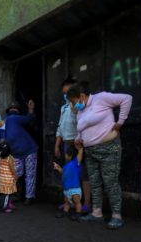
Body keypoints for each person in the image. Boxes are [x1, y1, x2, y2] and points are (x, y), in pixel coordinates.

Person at [69, 81, 132, 229]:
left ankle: (117, 216)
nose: (73, 105)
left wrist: (121, 122)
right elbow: (82, 126)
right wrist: (79, 138)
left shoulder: (101, 98)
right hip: (90, 151)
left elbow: (127, 98)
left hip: (108, 148)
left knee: (110, 182)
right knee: (95, 183)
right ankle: (96, 213)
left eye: (74, 101)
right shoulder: (81, 110)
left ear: (82, 96)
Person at [0, 100, 39, 204]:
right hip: (16, 154)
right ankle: (13, 194)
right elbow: (1, 150)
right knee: (16, 173)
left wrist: (31, 110)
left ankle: (29, 197)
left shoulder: (12, 119)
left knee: (30, 174)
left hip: (29, 149)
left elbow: (29, 119)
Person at [55, 76, 90, 213]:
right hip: (67, 144)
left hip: (79, 144)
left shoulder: (80, 106)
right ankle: (69, 201)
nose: (66, 95)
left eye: (68, 92)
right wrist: (57, 145)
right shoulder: (63, 108)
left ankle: (86, 204)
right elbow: (60, 127)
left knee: (85, 175)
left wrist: (74, 104)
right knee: (68, 174)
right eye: (64, 93)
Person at [53, 142, 84, 221]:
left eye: (66, 154)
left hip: (74, 188)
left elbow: (80, 152)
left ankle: (78, 213)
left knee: (77, 202)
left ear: (68, 155)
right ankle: (65, 211)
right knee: (66, 202)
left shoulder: (75, 163)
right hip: (67, 189)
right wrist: (58, 168)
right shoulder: (67, 166)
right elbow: (63, 172)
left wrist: (80, 148)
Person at [0, 133, 17, 213]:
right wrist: (15, 175)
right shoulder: (10, 158)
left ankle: (8, 204)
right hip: (8, 179)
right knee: (7, 194)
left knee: (6, 193)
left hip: (2, 178)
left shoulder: (0, 155)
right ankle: (4, 207)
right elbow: (12, 169)